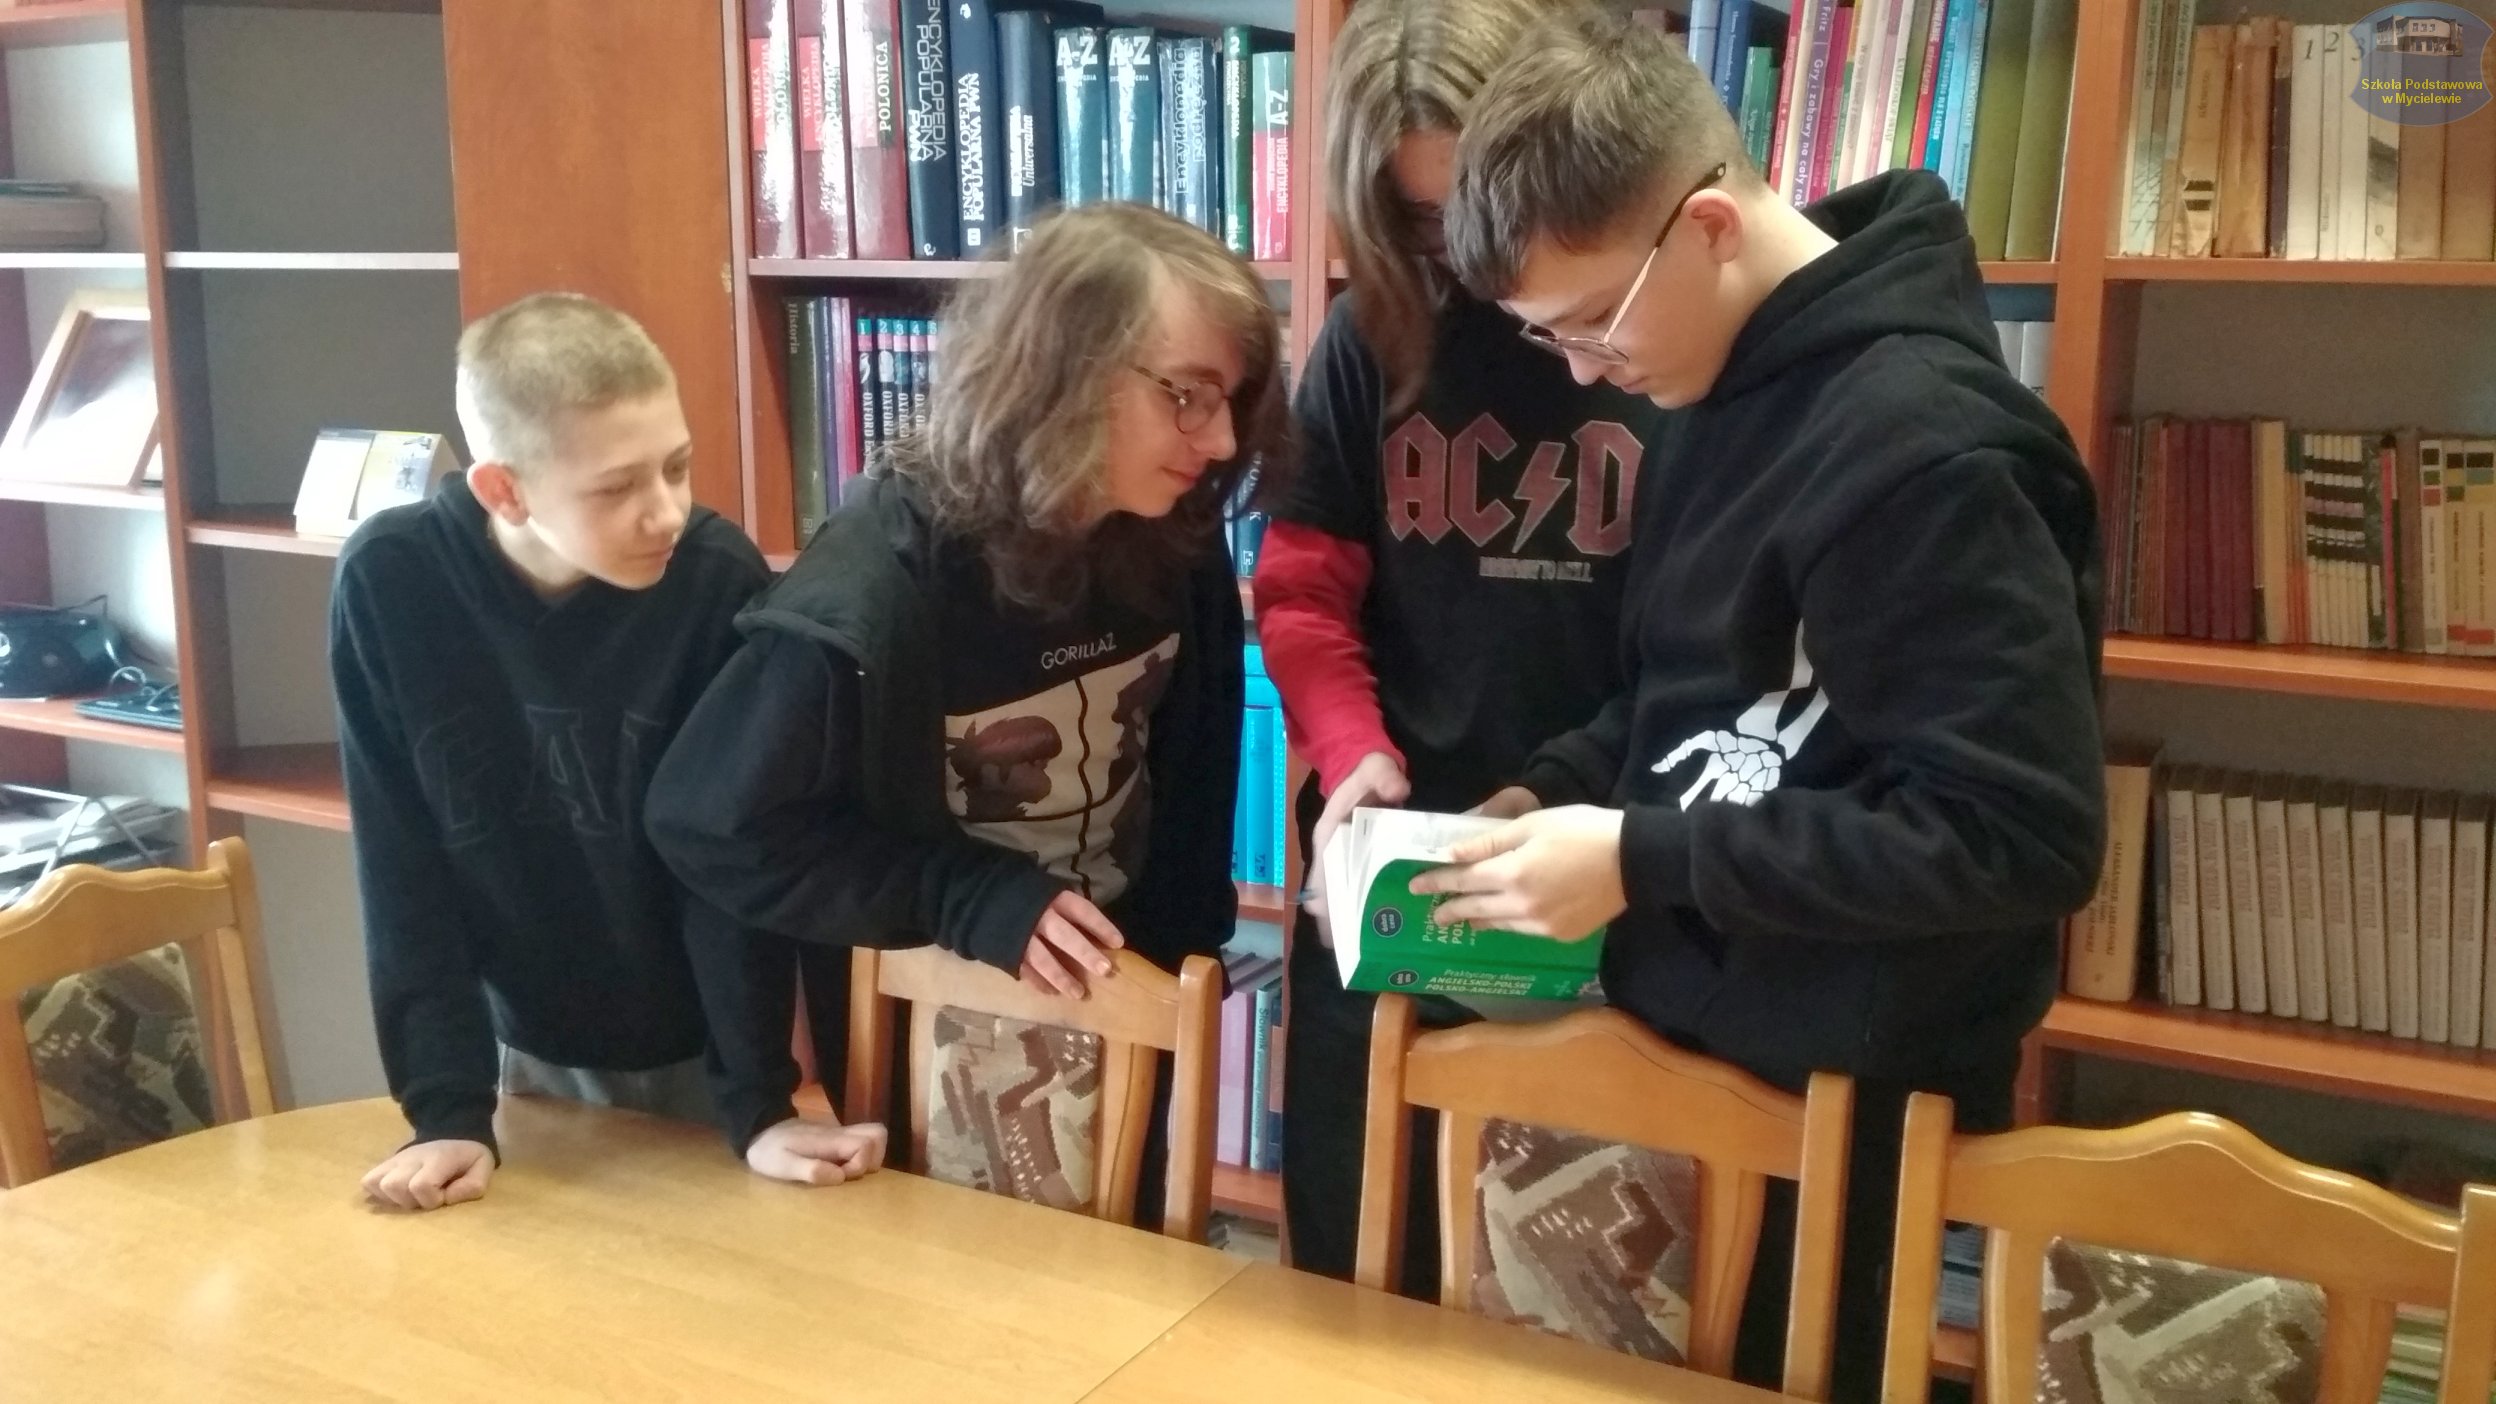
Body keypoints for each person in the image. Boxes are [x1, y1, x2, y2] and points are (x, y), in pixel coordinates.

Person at [1422, 11, 2106, 1396]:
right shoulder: (1717, 377)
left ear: (1711, 226)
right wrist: (1556, 791)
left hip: (1850, 1095)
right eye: (1545, 337)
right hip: (1702, 1049)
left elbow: (2018, 837)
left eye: (1589, 323)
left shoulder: (1930, 455)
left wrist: (1640, 857)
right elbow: (1685, 695)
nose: (1580, 370)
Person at [645, 203, 1283, 1201]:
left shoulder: (1173, 531)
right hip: (929, 1034)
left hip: (1131, 1000)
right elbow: (710, 825)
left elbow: (1194, 777)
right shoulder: (874, 586)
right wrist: (957, 897)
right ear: (1066, 373)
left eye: (1231, 400)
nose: (1222, 437)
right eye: (1188, 397)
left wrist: (1176, 966)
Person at [1251, 0, 1669, 1293]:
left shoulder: (1653, 338)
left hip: (1612, 864)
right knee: (1357, 1268)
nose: (1463, 255)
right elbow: (1302, 591)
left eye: (1479, 205)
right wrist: (1349, 749)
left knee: (1589, 1282)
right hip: (1398, 865)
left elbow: (1716, 644)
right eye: (1422, 220)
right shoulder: (1366, 343)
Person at [335, 292, 888, 1212]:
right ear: (503, 489)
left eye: (677, 466)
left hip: (706, 1050)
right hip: (520, 1055)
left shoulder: (715, 579)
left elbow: (730, 859)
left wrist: (759, 1104)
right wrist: (446, 1113)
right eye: (616, 488)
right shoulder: (389, 583)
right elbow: (400, 865)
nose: (666, 512)